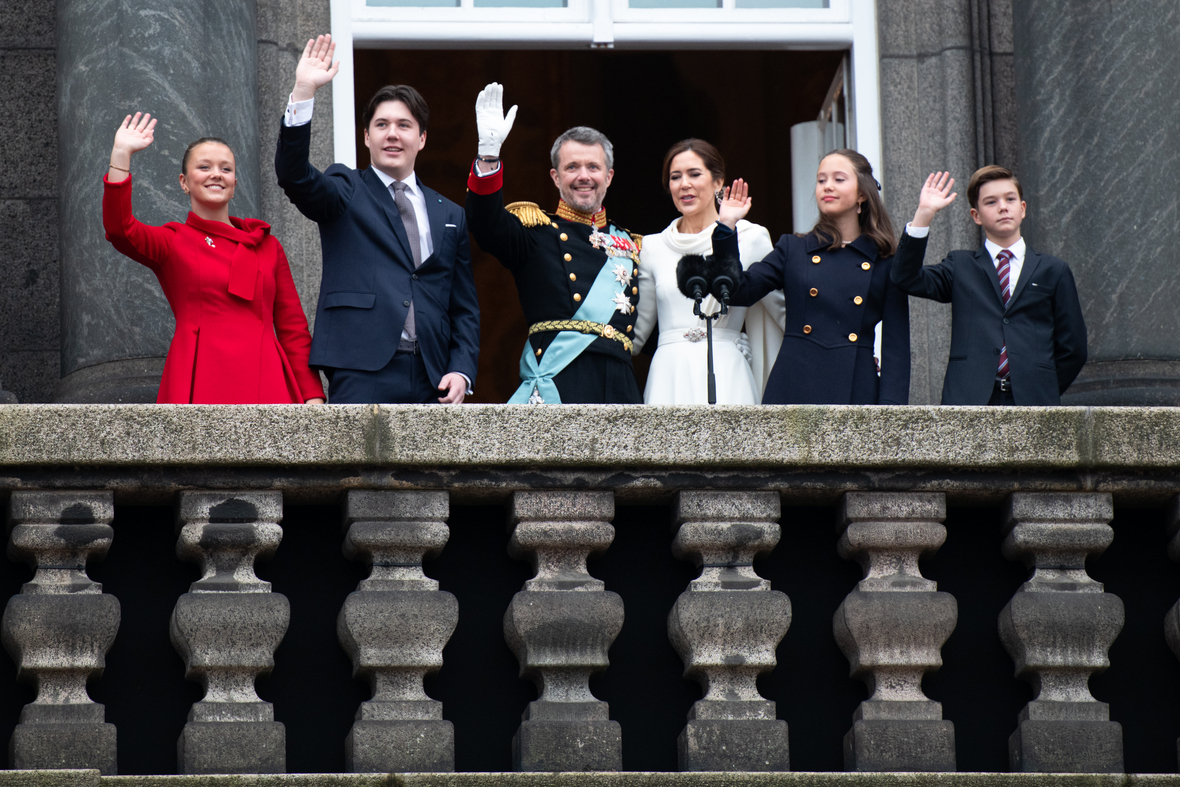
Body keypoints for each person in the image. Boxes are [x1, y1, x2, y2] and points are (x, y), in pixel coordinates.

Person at [274, 35, 479, 404]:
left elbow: (463, 306)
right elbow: (294, 175)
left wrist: (461, 368)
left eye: (404, 125)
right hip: (360, 366)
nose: (393, 134)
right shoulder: (346, 188)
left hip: (435, 374)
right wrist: (304, 90)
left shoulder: (451, 213)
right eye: (382, 125)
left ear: (422, 139)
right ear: (366, 137)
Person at [103, 112, 325, 405]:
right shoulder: (174, 241)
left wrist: (312, 396)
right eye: (204, 167)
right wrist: (121, 155)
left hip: (267, 379)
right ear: (184, 182)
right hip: (199, 378)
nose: (216, 174)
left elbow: (292, 328)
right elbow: (121, 230)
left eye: (226, 168)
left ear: (234, 183)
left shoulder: (268, 246)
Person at [465, 83, 642, 404]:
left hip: (619, 386)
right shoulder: (536, 232)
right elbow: (486, 225)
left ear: (610, 176)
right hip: (561, 382)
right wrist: (489, 156)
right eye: (572, 167)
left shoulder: (632, 244)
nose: (583, 175)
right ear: (555, 177)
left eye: (593, 167)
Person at [712, 149, 910, 404]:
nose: (827, 186)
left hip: (856, 389)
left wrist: (891, 417)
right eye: (821, 180)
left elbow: (896, 349)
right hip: (794, 384)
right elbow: (738, 292)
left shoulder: (885, 260)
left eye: (839, 179)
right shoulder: (793, 248)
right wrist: (726, 227)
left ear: (862, 193)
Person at [892, 166, 1086, 405]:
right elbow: (905, 278)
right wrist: (924, 214)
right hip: (969, 399)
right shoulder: (960, 265)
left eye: (1010, 199)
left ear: (1022, 208)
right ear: (976, 215)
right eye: (991, 202)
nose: (1003, 207)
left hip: (1034, 400)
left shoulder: (1054, 270)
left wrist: (1042, 387)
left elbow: (1073, 347)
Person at [631, 139, 784, 404]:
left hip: (728, 369)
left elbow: (781, 312)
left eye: (694, 174)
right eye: (675, 177)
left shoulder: (750, 237)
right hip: (669, 374)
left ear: (718, 182)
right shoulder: (652, 246)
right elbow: (635, 335)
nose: (684, 184)